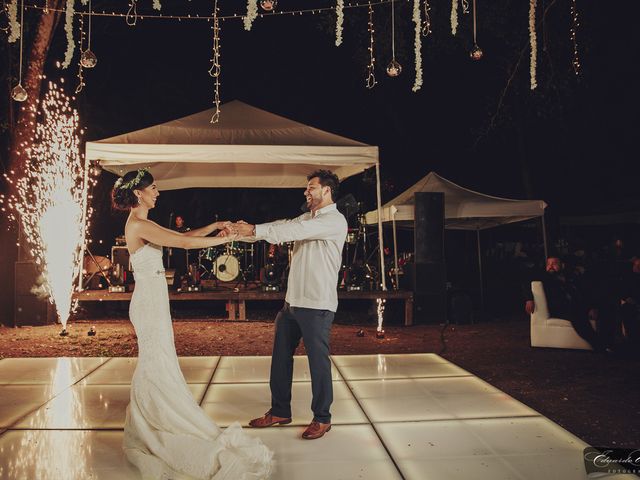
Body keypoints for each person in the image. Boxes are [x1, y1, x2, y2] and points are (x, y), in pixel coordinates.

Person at [111, 168, 273, 480]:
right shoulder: (139, 224)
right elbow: (183, 246)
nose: (157, 192)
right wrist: (227, 238)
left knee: (160, 361)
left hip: (154, 297)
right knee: (155, 363)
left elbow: (183, 237)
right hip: (148, 302)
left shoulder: (143, 222)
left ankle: (154, 418)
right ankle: (156, 424)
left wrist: (216, 225)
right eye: (153, 188)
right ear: (138, 193)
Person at [234, 170, 348, 440]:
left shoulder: (334, 220)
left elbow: (293, 230)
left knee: (318, 363)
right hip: (292, 303)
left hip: (317, 304)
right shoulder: (307, 218)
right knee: (280, 358)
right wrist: (242, 233)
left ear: (327, 191)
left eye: (311, 188)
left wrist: (254, 229)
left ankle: (322, 418)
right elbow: (282, 227)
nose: (306, 192)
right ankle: (280, 411)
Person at [524, 256, 604, 351]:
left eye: (554, 264)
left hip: (577, 304)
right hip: (559, 307)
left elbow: (585, 292)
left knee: (604, 307)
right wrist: (529, 299)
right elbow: (526, 282)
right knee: (577, 314)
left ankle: (609, 340)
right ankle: (599, 345)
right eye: (548, 264)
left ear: (562, 265)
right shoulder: (543, 276)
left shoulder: (570, 276)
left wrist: (592, 306)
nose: (550, 266)